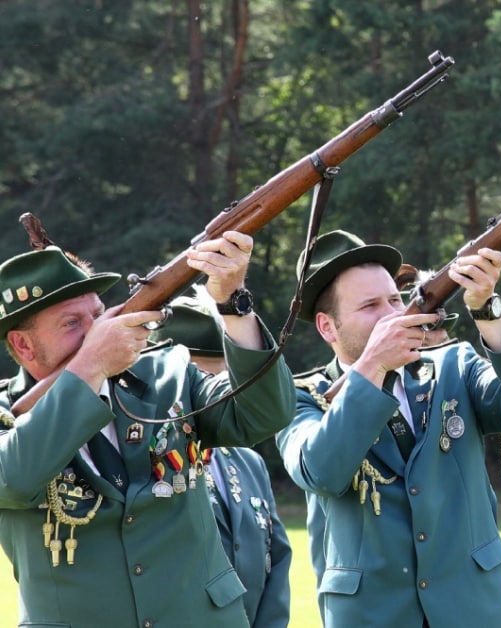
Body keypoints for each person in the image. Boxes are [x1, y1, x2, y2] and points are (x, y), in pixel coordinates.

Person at [0, 234, 295, 627]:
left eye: (98, 313)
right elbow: (15, 479)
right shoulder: (9, 414)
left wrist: (232, 304)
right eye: (73, 323)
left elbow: (264, 414)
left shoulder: (167, 373)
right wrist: (89, 367)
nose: (99, 330)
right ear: (22, 345)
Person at [276, 229, 501, 627]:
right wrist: (373, 366)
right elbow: (321, 471)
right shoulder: (305, 397)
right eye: (370, 306)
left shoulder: (454, 364)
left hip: (475, 611)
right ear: (327, 327)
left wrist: (487, 311)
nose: (392, 313)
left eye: (394, 299)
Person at [148, 294, 292, 628]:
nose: (211, 397)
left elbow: (277, 560)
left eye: (224, 383)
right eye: (199, 381)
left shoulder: (247, 462)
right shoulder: (145, 457)